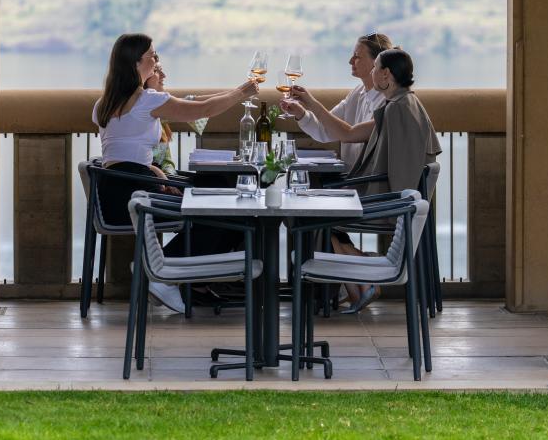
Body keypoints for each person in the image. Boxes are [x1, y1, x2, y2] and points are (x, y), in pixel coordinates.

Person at [92, 33, 259, 312]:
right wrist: (241, 93)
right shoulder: (147, 101)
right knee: (224, 207)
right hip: (136, 193)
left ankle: (181, 276)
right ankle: (165, 273)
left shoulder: (103, 105)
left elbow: (121, 153)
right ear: (136, 64)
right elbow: (201, 110)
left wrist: (153, 169)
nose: (157, 61)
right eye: (152, 57)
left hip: (114, 191)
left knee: (218, 189)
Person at [289, 47, 441, 312]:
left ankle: (353, 280)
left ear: (386, 74)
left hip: (391, 202)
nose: (370, 74)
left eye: (374, 68)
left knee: (310, 215)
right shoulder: (403, 103)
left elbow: (350, 136)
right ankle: (356, 281)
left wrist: (311, 102)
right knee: (313, 211)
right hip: (397, 197)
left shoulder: (396, 108)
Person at [279, 33, 394, 170]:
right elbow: (323, 130)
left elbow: (348, 134)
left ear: (376, 62)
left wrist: (312, 102)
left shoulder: (389, 102)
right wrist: (301, 114)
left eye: (357, 56)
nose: (350, 61)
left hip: (364, 183)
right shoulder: (357, 93)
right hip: (348, 178)